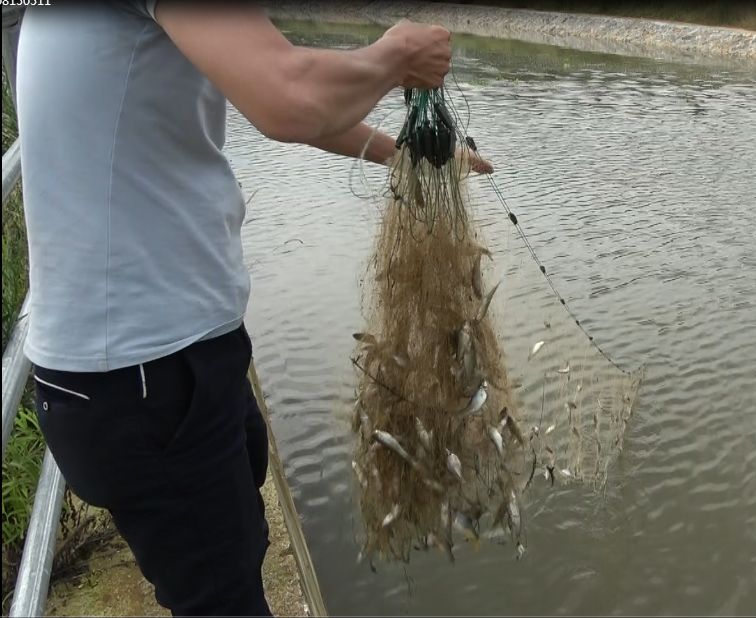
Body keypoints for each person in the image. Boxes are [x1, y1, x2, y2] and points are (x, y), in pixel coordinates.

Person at [16, 2, 491, 615]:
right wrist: (398, 57)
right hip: (145, 374)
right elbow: (288, 96)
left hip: (154, 362)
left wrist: (399, 153)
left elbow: (287, 97)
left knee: (236, 550)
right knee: (223, 600)